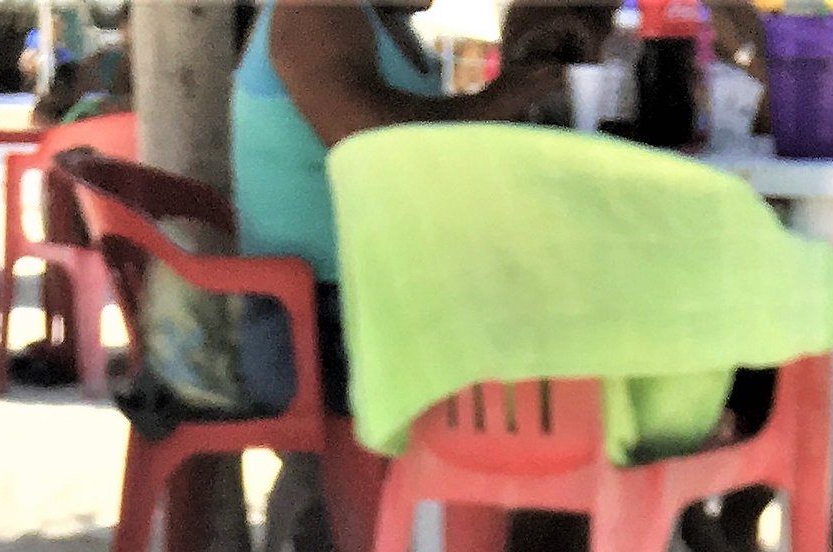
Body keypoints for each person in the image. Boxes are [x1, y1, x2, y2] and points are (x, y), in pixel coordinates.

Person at [230, 0, 606, 414]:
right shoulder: (314, 9)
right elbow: (365, 140)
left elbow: (432, 159)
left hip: (376, 306)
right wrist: (497, 101)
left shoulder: (399, 35)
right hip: (316, 326)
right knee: (568, 363)